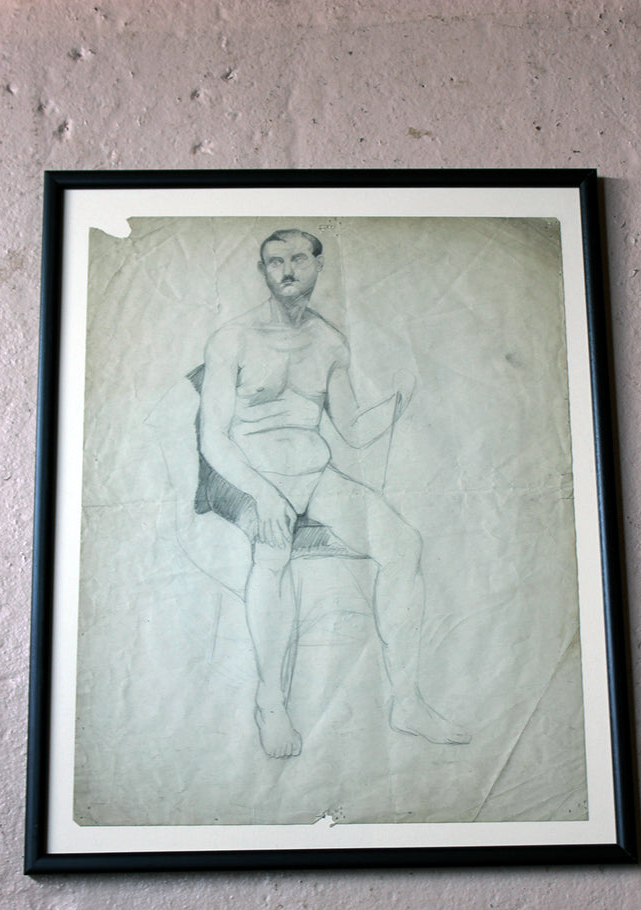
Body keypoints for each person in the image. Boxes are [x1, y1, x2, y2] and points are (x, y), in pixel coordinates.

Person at [198, 228, 469, 758]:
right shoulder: (232, 338)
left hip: (315, 474)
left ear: (319, 265)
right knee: (273, 551)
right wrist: (263, 494)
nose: (287, 270)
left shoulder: (329, 343)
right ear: (262, 271)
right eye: (275, 261)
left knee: (404, 545)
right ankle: (271, 704)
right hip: (247, 475)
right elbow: (213, 438)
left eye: (299, 258)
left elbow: (351, 430)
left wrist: (401, 398)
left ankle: (407, 702)